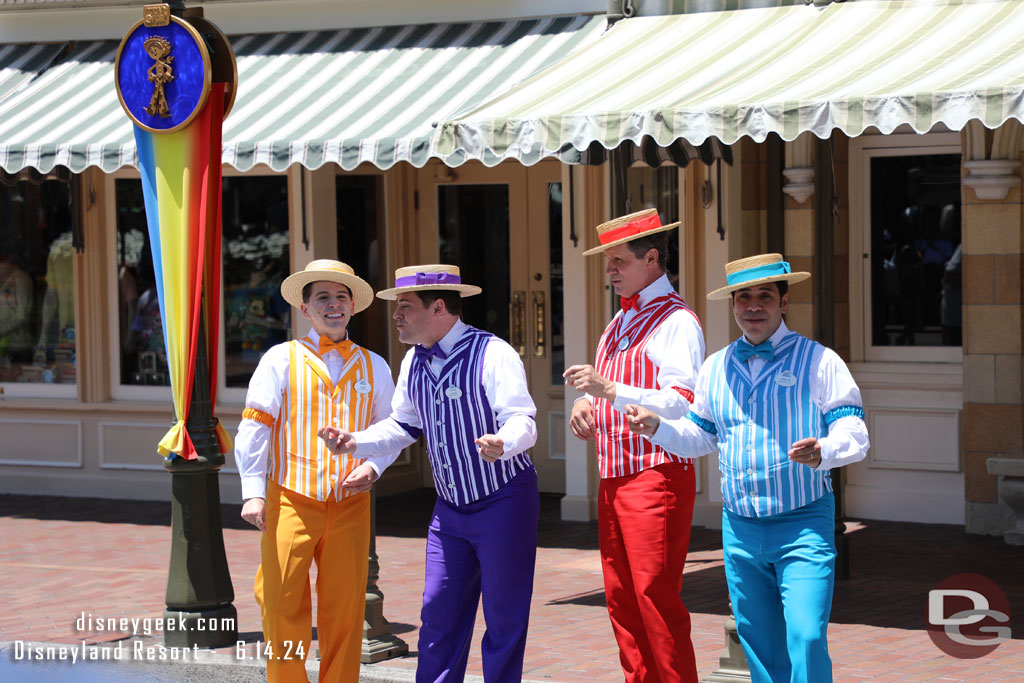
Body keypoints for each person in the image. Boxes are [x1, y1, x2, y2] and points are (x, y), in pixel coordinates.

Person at [626, 253, 870, 683]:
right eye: (743, 297)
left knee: (807, 635)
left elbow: (856, 434)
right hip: (739, 527)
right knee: (759, 646)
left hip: (804, 523)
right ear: (733, 304)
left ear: (783, 301)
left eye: (764, 296)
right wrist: (658, 428)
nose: (753, 306)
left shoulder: (819, 361)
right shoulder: (715, 367)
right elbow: (701, 437)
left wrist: (825, 450)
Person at [319, 264, 539, 683]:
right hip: (449, 508)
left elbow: (523, 419)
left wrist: (503, 443)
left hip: (504, 499)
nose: (396, 315)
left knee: (504, 616)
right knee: (438, 613)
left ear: (439, 307)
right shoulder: (413, 361)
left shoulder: (493, 353)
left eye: (404, 306)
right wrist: (355, 441)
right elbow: (404, 424)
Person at [234, 259, 400, 683]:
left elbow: (392, 430)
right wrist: (253, 491)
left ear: (352, 307)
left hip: (350, 504)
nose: (333, 305)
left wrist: (374, 467)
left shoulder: (375, 365)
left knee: (344, 608)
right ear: (305, 309)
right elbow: (255, 426)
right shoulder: (280, 359)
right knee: (281, 600)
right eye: (322, 297)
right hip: (290, 497)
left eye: (341, 296)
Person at [563, 208, 705, 683]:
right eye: (608, 262)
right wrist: (587, 405)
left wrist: (609, 392)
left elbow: (681, 401)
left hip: (656, 472)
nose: (610, 271)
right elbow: (608, 389)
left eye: (619, 261)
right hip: (615, 474)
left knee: (654, 599)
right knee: (622, 598)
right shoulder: (617, 322)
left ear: (651, 259)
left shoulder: (677, 320)